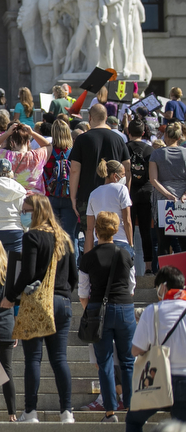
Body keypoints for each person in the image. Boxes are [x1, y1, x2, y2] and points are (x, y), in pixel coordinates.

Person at [2, 194, 77, 423]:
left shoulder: (32, 236)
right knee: (59, 359)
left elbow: (28, 273)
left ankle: (31, 411)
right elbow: (74, 276)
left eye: (26, 211)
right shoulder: (64, 237)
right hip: (62, 302)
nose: (23, 215)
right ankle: (67, 411)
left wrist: (10, 296)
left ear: (37, 213)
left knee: (33, 359)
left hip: (37, 303)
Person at [78, 211, 136, 422]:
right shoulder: (124, 254)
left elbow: (83, 292)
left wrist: (91, 309)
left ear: (96, 231)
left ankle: (110, 410)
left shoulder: (88, 257)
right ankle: (131, 407)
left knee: (105, 362)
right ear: (116, 229)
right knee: (128, 361)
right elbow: (131, 287)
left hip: (97, 310)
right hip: (124, 309)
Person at [125, 265, 186, 432]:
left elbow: (135, 350)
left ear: (163, 287)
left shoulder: (153, 311)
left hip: (157, 379)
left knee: (133, 421)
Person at [70, 104, 131, 233]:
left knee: (89, 234)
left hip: (87, 195)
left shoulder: (82, 139)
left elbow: (75, 170)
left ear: (90, 117)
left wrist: (73, 197)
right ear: (106, 117)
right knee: (111, 233)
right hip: (114, 196)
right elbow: (127, 168)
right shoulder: (118, 139)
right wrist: (126, 193)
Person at [43, 119, 78, 256]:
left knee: (52, 236)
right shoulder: (74, 152)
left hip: (51, 197)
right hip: (70, 197)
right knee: (69, 236)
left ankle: (55, 269)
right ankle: (71, 270)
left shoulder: (48, 151)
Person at [85, 159, 134, 258]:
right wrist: (131, 243)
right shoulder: (121, 189)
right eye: (123, 175)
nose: (124, 177)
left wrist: (88, 253)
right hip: (120, 240)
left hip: (99, 242)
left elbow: (90, 228)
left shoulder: (93, 193)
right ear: (115, 176)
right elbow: (127, 220)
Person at [151, 122, 186, 259]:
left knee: (163, 243)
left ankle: (164, 278)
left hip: (163, 201)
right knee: (184, 243)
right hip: (183, 202)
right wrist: (184, 195)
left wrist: (167, 194)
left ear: (165, 136)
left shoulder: (156, 154)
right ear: (179, 137)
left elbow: (153, 179)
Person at [127, 119, 154, 272]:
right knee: (145, 231)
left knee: (127, 228)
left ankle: (129, 263)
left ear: (128, 132)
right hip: (146, 191)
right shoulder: (150, 150)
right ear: (143, 133)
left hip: (129, 192)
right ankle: (149, 267)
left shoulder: (124, 148)